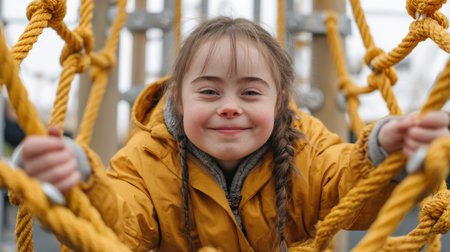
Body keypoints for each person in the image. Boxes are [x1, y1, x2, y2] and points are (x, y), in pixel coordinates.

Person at [17, 17, 450, 251]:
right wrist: (79, 182)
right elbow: (121, 221)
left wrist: (381, 150)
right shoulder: (146, 159)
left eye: (249, 91)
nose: (229, 105)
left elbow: (345, 188)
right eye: (208, 91)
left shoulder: (306, 146)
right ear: (179, 100)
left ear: (279, 103)